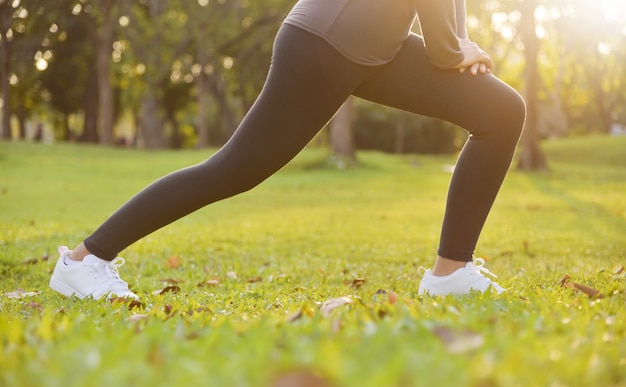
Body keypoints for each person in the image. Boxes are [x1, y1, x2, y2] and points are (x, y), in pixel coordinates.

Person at [49, 0, 526, 300]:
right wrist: (448, 50)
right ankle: (83, 261)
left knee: (501, 111)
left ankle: (451, 273)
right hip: (327, 38)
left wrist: (456, 42)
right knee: (233, 170)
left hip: (381, 43)